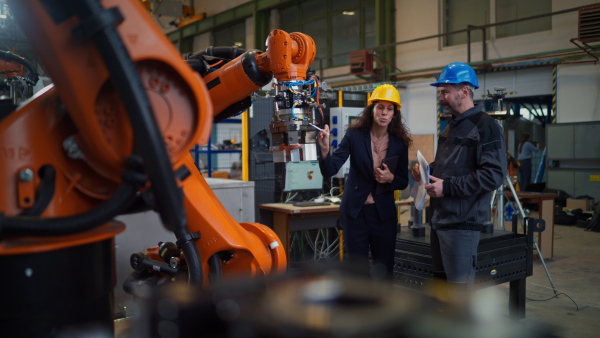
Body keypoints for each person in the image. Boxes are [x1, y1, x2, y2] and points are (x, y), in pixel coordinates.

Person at [411, 62, 506, 294]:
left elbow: (493, 175)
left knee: (458, 295)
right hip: (439, 221)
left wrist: (448, 187)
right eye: (440, 92)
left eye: (445, 92)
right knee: (442, 291)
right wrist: (427, 171)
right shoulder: (450, 127)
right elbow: (452, 166)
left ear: (464, 91)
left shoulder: (487, 126)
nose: (441, 97)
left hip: (461, 225)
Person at [316, 84, 411, 281]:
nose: (384, 112)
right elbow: (330, 170)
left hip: (383, 215)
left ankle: (384, 309)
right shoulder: (354, 135)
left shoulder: (399, 143)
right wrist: (325, 150)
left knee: (384, 270)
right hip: (355, 214)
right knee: (356, 272)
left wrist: (390, 178)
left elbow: (403, 180)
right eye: (380, 107)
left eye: (389, 108)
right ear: (372, 109)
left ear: (395, 113)